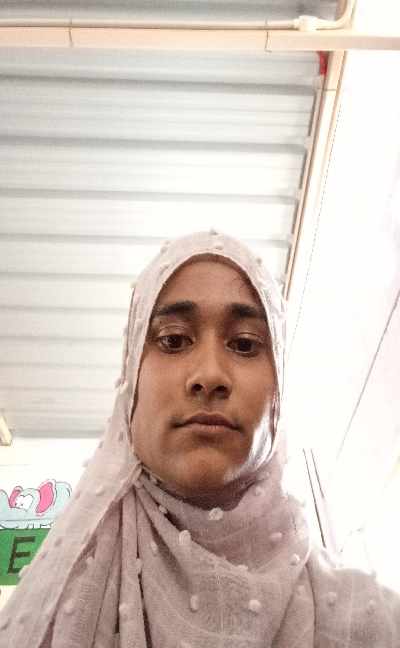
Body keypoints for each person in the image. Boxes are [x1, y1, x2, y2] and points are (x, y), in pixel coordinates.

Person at [0, 230, 399, 648]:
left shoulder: (371, 626)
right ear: (131, 381)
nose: (209, 375)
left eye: (244, 344)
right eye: (173, 340)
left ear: (279, 391)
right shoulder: (53, 609)